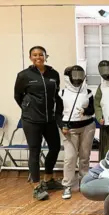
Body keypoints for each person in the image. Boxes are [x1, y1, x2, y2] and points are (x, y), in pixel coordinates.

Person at [14, 45, 64, 200]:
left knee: (55, 147)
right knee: (34, 152)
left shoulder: (53, 74)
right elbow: (18, 96)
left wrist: (57, 116)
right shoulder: (24, 75)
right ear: (30, 58)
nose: (38, 57)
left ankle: (48, 179)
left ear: (45, 56)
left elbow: (56, 94)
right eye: (34, 55)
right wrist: (28, 108)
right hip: (31, 120)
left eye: (40, 55)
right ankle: (37, 186)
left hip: (49, 119)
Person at [58, 65, 96, 199]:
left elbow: (93, 109)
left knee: (85, 156)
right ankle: (67, 185)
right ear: (68, 77)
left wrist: (85, 111)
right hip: (69, 129)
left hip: (88, 127)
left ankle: (84, 182)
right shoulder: (61, 93)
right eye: (75, 75)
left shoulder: (88, 92)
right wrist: (62, 125)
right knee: (70, 157)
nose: (78, 78)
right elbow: (57, 113)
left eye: (80, 75)